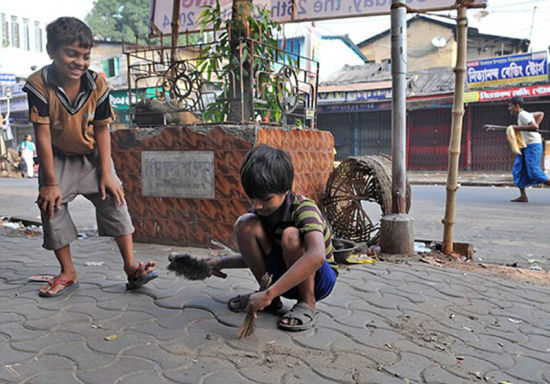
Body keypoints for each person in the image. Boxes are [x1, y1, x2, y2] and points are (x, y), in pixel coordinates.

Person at [22, 17, 157, 297]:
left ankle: (131, 267)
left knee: (115, 201)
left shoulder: (97, 82)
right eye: (71, 54)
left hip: (93, 155)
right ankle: (68, 272)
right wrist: (49, 183)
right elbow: (42, 136)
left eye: (85, 56)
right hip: (56, 158)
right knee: (52, 208)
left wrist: (107, 171)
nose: (79, 62)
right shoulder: (38, 83)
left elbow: (102, 128)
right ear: (51, 51)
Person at [208, 145, 337, 331]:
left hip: (318, 281)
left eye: (265, 199)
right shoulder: (260, 213)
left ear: (285, 190)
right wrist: (218, 262)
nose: (258, 205)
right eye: (252, 198)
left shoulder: (304, 209)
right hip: (283, 277)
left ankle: (307, 303)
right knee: (245, 224)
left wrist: (268, 293)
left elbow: (317, 256)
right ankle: (272, 301)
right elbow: (257, 258)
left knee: (291, 236)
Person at [507, 96, 550, 203]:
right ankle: (523, 196)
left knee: (534, 172)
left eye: (510, 106)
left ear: (517, 106)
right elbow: (540, 114)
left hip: (533, 145)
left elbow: (534, 127)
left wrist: (517, 128)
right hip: (525, 146)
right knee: (519, 169)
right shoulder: (525, 114)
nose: (509, 108)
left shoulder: (523, 114)